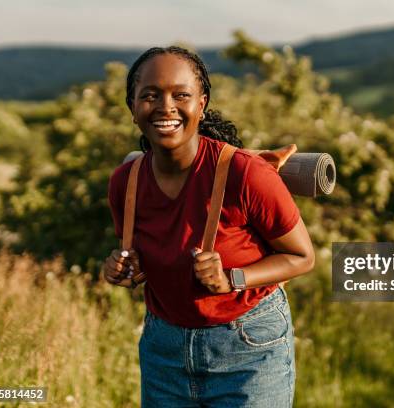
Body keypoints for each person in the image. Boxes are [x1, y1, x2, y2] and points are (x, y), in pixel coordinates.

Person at [102, 46, 315, 407]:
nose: (165, 106)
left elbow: (301, 256)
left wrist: (234, 278)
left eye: (180, 95)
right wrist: (125, 268)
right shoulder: (126, 182)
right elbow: (141, 255)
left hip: (248, 346)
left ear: (201, 104)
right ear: (133, 107)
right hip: (164, 350)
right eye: (150, 95)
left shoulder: (246, 174)